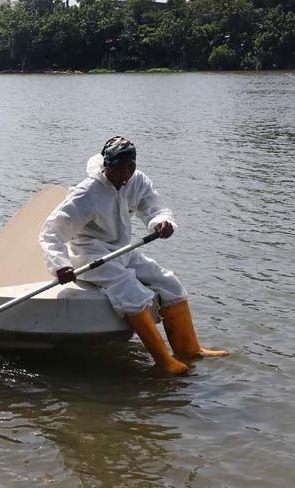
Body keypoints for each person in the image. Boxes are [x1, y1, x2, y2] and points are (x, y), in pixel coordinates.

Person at [39, 136, 228, 375]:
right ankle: (164, 362)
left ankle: (190, 350)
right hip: (88, 252)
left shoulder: (137, 181)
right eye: (118, 168)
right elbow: (50, 232)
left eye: (129, 167)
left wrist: (162, 222)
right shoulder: (86, 193)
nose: (124, 174)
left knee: (169, 282)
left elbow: (155, 207)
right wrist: (60, 265)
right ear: (107, 166)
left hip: (121, 250)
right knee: (131, 290)